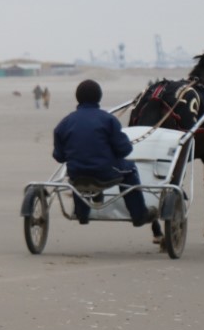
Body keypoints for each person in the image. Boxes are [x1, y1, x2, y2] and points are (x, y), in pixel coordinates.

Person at [52, 80, 155, 227]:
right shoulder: (108, 120)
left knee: (78, 168)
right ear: (99, 97)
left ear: (77, 98)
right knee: (130, 168)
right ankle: (139, 215)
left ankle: (82, 213)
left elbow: (59, 156)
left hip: (76, 174)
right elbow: (124, 150)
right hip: (105, 173)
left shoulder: (65, 122)